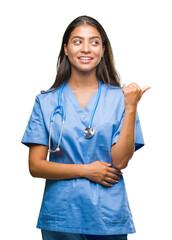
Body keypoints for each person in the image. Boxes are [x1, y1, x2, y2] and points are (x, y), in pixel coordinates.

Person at [21, 15, 150, 240]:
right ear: (66, 49)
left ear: (103, 50)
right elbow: (35, 166)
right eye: (77, 41)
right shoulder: (46, 102)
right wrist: (86, 170)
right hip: (61, 216)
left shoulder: (121, 98)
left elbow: (119, 161)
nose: (86, 49)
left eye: (94, 42)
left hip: (107, 216)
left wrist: (131, 107)